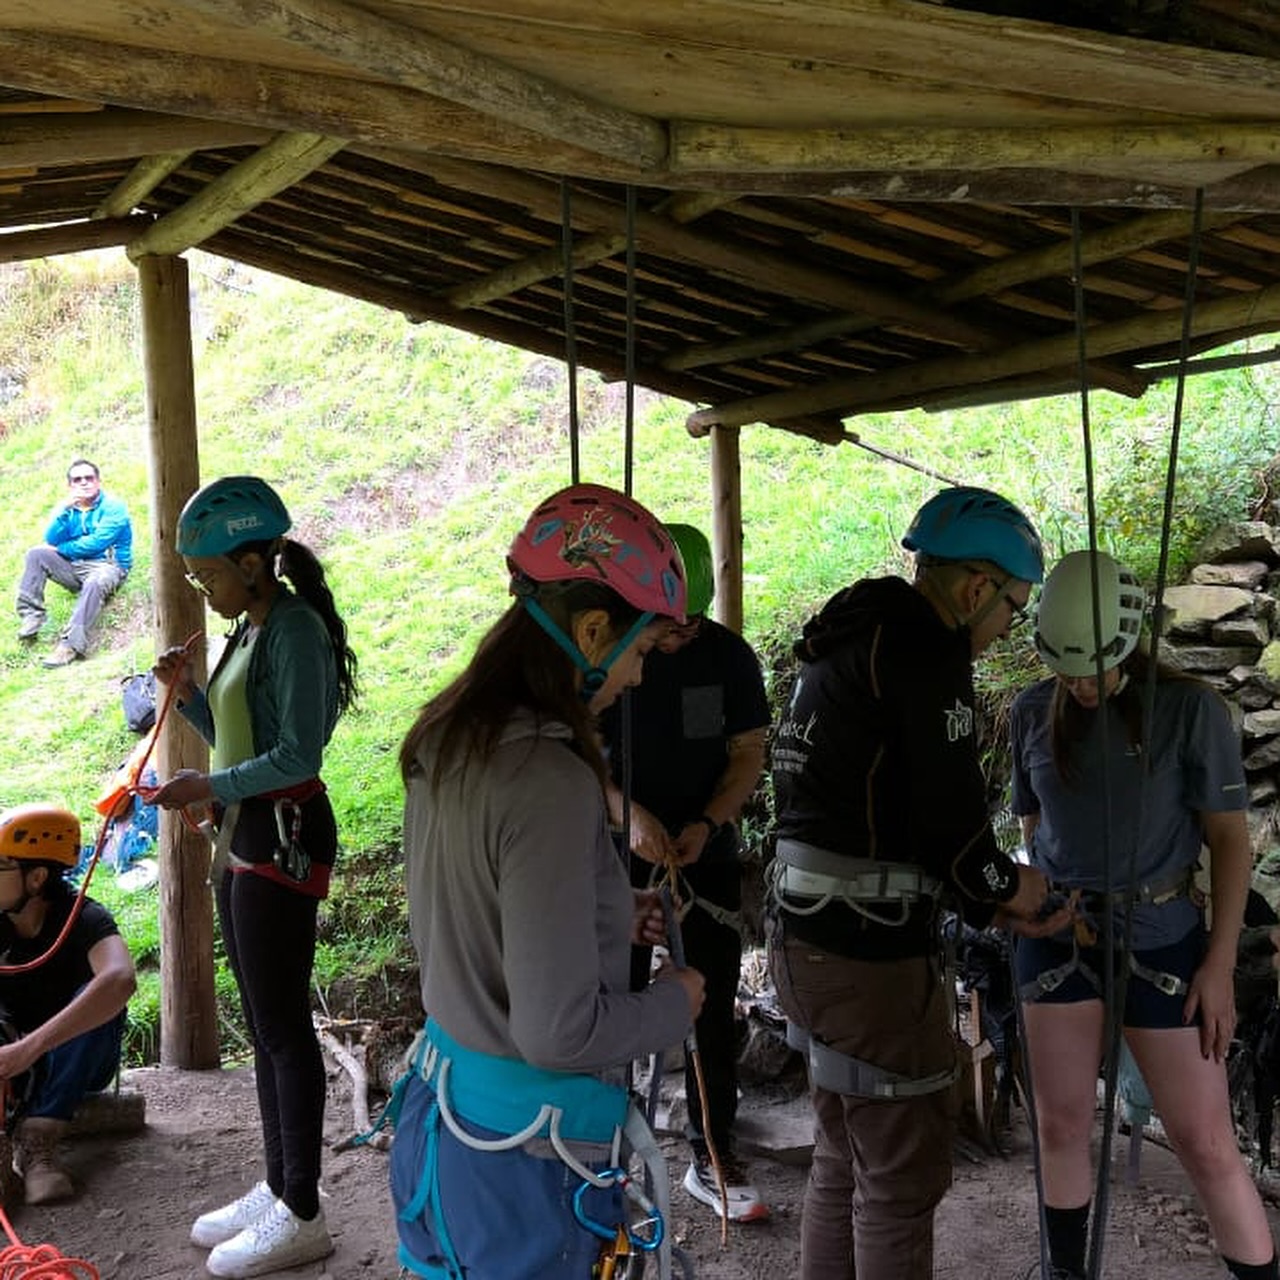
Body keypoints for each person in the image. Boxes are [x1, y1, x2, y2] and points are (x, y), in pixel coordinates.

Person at [390, 482, 705, 1280]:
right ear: (593, 631)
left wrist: (603, 914)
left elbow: (480, 906)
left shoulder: (451, 734)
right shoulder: (547, 777)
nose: (636, 678)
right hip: (522, 1158)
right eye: (636, 653)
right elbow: (557, 1034)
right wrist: (676, 1003)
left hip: (442, 1119)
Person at [768, 484, 1059, 1280]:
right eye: (1012, 608)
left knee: (842, 1151)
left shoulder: (851, 636)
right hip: (866, 953)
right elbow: (954, 824)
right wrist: (1014, 889)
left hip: (800, 934)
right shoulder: (926, 649)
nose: (1005, 631)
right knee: (902, 1174)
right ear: (975, 588)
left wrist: (984, 894)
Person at [1011, 548, 1278, 1280]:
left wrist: (1219, 965)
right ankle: (1065, 1272)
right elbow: (1034, 830)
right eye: (1066, 669)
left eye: (1093, 668)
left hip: (1164, 939)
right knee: (1061, 1123)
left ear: (1129, 641)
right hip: (1061, 937)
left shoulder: (1189, 711)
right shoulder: (1032, 713)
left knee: (1204, 1143)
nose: (1080, 685)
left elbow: (1229, 842)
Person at [144, 475, 358, 1280]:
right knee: (266, 1027)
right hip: (247, 835)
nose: (205, 589)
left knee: (283, 1030)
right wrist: (189, 697)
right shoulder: (252, 626)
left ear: (252, 560)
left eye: (209, 576)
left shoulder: (294, 630)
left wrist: (207, 788)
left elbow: (298, 755)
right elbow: (239, 739)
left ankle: (302, 1211)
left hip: (284, 837)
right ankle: (279, 1187)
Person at [599, 521, 771, 1222]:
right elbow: (577, 758)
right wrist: (627, 816)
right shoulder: (607, 663)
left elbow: (747, 752)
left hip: (705, 856)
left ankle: (712, 1153)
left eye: (689, 623)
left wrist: (710, 822)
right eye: (665, 625)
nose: (678, 637)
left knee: (710, 1001)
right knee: (609, 1002)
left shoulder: (729, 657)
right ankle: (600, 1152)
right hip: (615, 859)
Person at [0, 803, 136, 1204]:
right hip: (12, 1057)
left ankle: (39, 1138)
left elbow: (121, 979)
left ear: (36, 877)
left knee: (99, 996)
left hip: (76, 1060)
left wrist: (30, 1048)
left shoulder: (84, 918)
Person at [16, 459, 133, 667]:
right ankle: (32, 615)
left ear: (98, 481)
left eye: (89, 478)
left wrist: (61, 549)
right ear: (70, 486)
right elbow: (51, 538)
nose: (84, 483)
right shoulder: (70, 509)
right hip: (75, 566)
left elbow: (96, 543)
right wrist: (63, 510)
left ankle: (70, 646)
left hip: (108, 566)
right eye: (77, 479)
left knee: (96, 581)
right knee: (36, 553)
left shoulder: (114, 507)